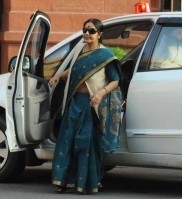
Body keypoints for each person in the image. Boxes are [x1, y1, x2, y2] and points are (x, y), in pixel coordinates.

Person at [49, 18, 122, 194]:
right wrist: (59, 75)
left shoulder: (106, 56)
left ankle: (89, 181)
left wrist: (101, 93)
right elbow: (74, 70)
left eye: (91, 31)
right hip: (75, 102)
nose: (87, 34)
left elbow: (116, 81)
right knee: (66, 140)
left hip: (92, 104)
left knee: (86, 142)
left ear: (100, 34)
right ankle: (62, 180)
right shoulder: (78, 51)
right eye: (85, 30)